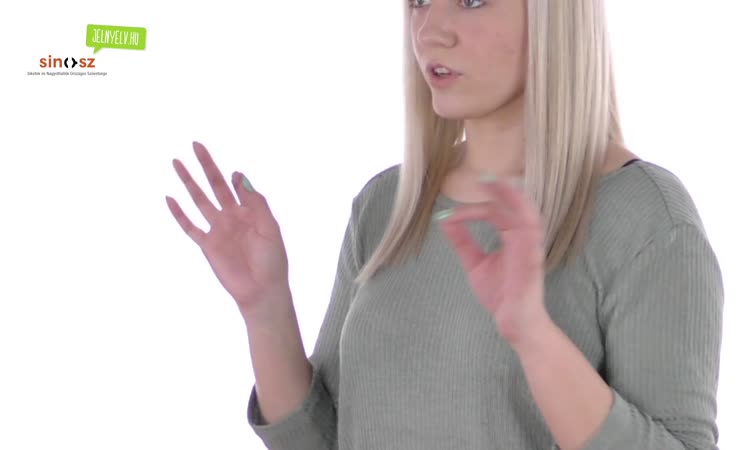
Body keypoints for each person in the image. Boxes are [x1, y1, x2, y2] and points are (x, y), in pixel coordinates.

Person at [166, 0, 724, 448]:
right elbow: (328, 442)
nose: (429, 31)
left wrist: (533, 335)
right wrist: (265, 308)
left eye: (472, 0)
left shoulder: (644, 218)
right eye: (418, 1)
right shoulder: (387, 205)